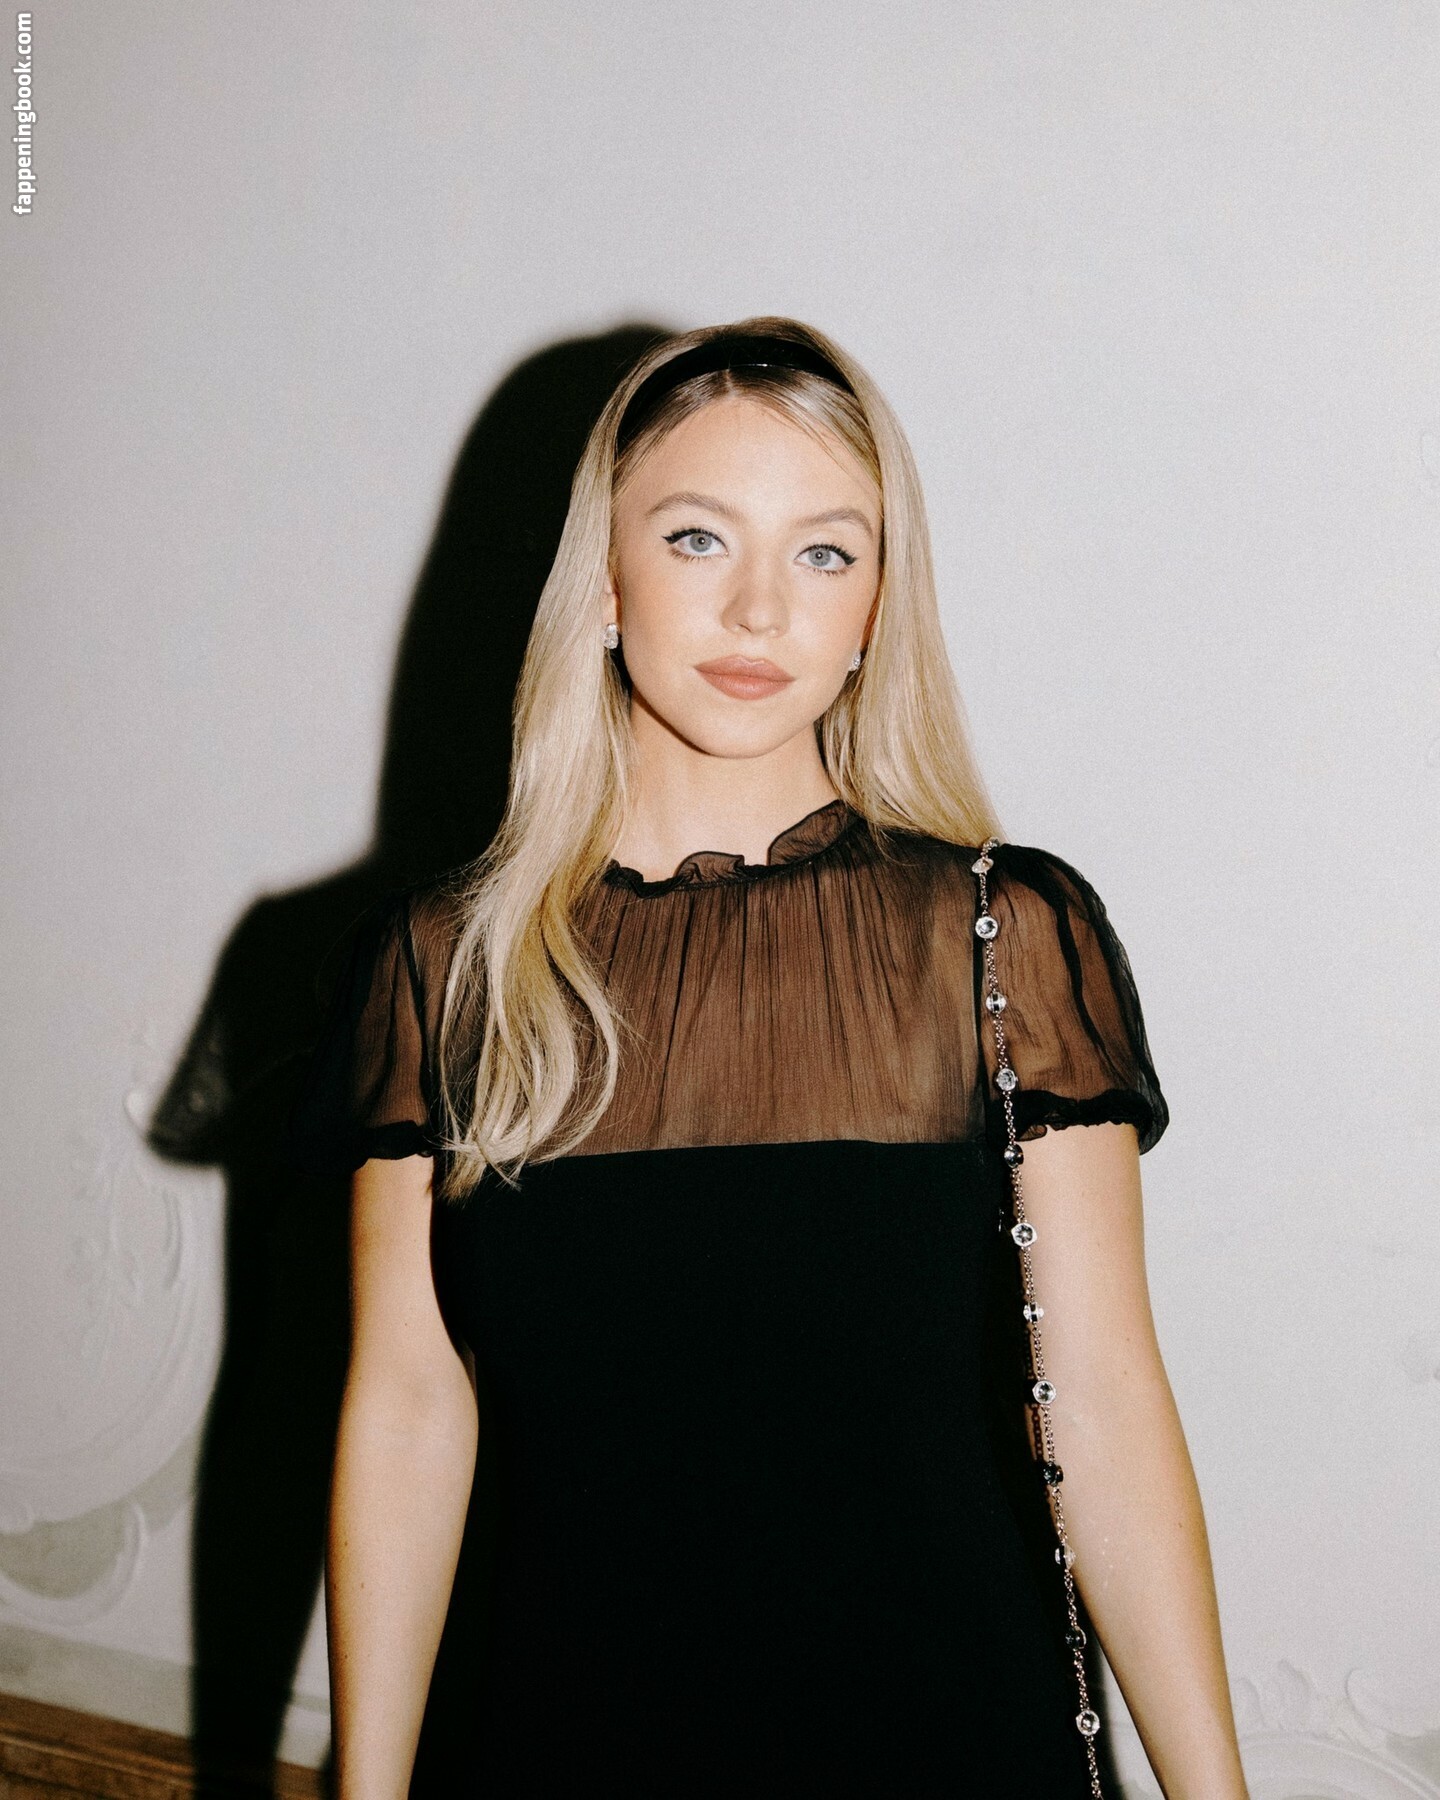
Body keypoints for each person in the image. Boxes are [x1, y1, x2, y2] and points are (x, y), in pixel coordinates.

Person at [288, 317, 1250, 1798]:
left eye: (825, 553)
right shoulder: (443, 968)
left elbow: (1104, 1408)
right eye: (697, 538)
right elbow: (410, 1413)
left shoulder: (998, 937)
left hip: (946, 1745)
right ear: (603, 581)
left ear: (875, 608)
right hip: (559, 1743)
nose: (759, 608)